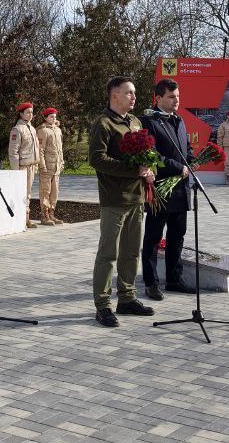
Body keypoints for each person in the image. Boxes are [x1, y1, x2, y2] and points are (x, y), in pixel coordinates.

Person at [89, 76, 155, 327]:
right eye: (129, 93)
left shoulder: (136, 122)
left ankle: (127, 298)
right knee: (108, 253)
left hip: (137, 197)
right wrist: (133, 171)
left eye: (134, 93)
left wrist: (149, 170)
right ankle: (103, 305)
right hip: (114, 198)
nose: (134, 97)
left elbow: (145, 157)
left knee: (131, 252)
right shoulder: (104, 124)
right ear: (114, 95)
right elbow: (97, 159)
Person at [141, 79, 196, 301]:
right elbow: (152, 155)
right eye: (172, 97)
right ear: (159, 98)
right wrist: (178, 167)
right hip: (161, 188)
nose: (177, 100)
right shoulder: (150, 121)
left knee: (177, 235)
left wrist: (191, 160)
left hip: (181, 189)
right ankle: (151, 283)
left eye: (178, 96)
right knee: (153, 237)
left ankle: (174, 278)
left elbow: (186, 148)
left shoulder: (179, 120)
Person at [8, 102, 41, 229]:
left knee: (28, 193)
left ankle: (26, 218)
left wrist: (37, 163)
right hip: (22, 167)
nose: (31, 114)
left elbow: (36, 148)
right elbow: (13, 151)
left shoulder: (32, 128)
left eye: (32, 112)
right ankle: (21, 218)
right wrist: (16, 171)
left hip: (31, 166)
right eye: (28, 112)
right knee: (22, 193)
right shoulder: (17, 129)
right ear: (21, 114)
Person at [35, 107, 65, 225]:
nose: (54, 119)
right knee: (45, 190)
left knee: (55, 191)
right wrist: (42, 166)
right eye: (51, 117)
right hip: (47, 166)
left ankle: (52, 213)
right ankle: (44, 215)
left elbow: (60, 149)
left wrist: (62, 162)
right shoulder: (42, 130)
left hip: (56, 166)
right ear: (45, 118)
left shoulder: (57, 130)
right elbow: (40, 150)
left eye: (55, 117)